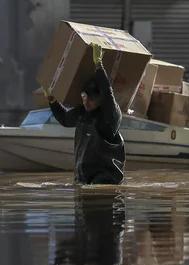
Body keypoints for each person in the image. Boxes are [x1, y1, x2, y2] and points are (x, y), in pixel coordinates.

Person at [41, 43, 126, 185]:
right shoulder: (82, 113)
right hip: (83, 179)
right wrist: (52, 100)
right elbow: (65, 119)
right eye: (84, 97)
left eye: (92, 99)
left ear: (101, 100)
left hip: (105, 180)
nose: (86, 103)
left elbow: (107, 93)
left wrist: (99, 65)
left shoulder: (110, 117)